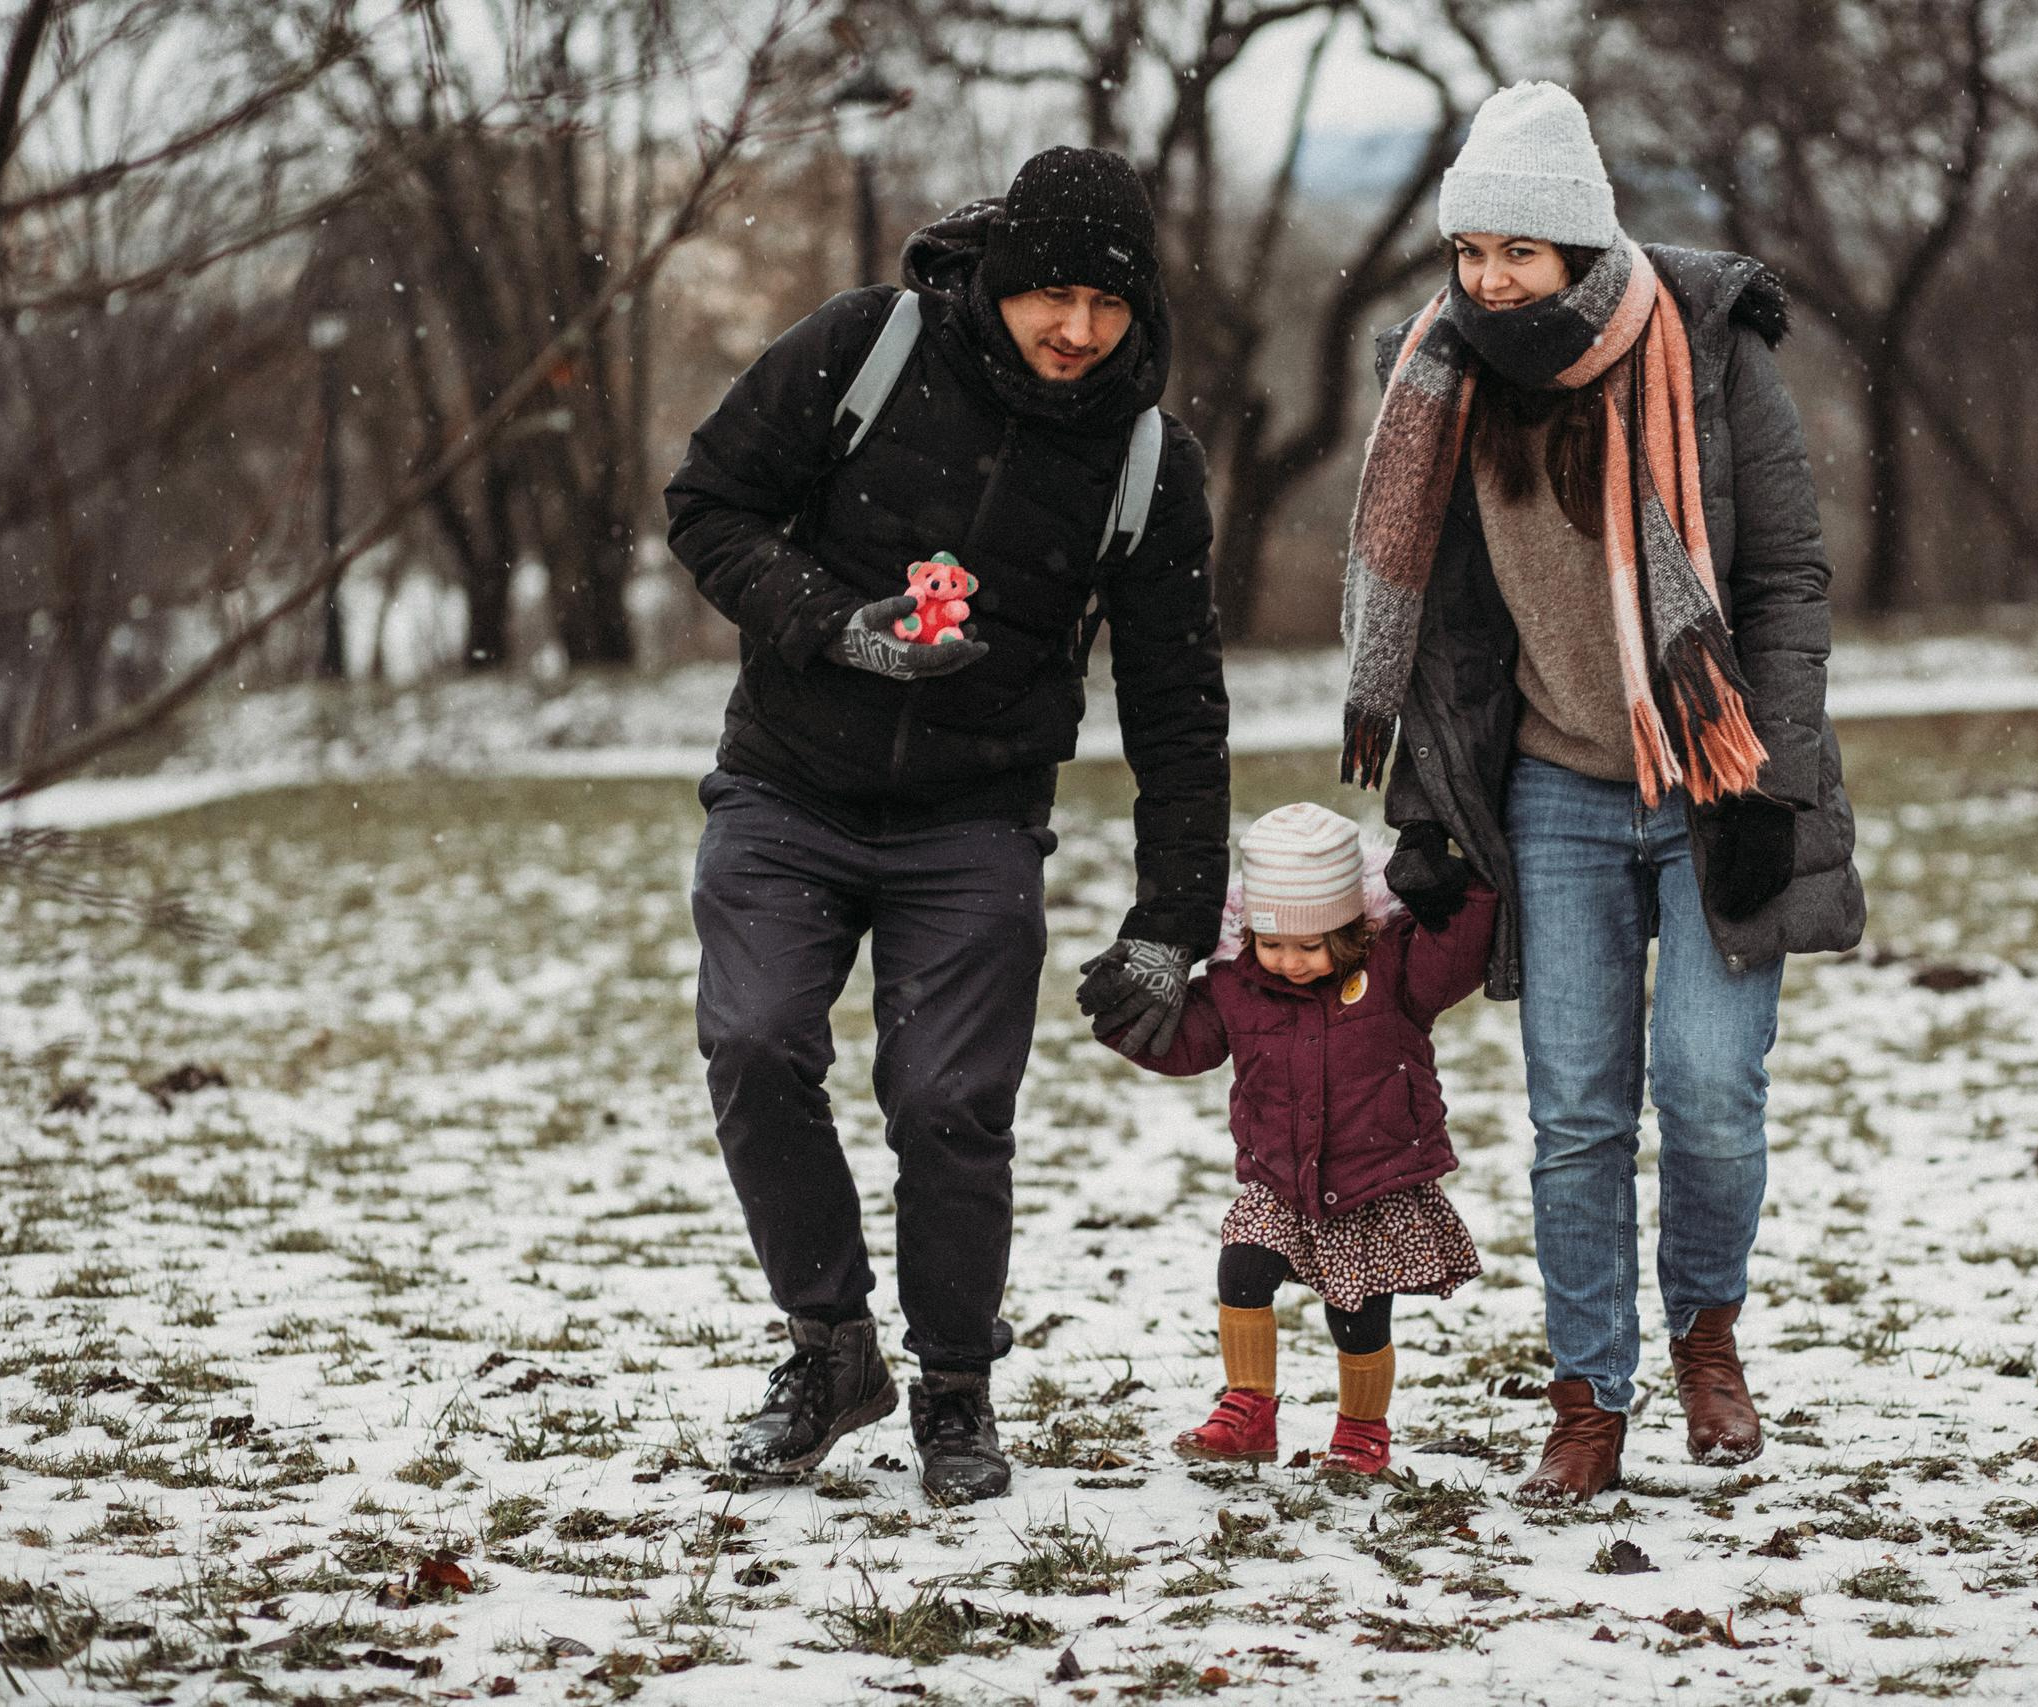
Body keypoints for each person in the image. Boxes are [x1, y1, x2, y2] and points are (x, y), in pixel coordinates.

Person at [663, 145, 1230, 1504]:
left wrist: (1170, 922)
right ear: (1001, 276)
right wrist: (832, 624)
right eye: (1052, 298)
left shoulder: (1148, 460)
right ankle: (830, 1345)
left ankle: (958, 1387)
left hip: (976, 818)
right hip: (789, 783)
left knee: (952, 1101)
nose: (1079, 332)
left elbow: (1177, 710)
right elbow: (708, 505)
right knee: (752, 1041)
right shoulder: (869, 345)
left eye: (1109, 306)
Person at [1339, 83, 1866, 1503]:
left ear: (1580, 245)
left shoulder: (1704, 346)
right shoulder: (1439, 380)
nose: (1492, 280)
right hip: (1556, 789)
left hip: (1714, 776)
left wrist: (1772, 774)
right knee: (1576, 1110)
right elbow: (1444, 623)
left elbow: (1786, 584)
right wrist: (1433, 811)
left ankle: (1707, 1333)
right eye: (1472, 252)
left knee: (1706, 1086)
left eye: (1522, 250)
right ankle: (1587, 1394)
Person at [1101, 802, 1494, 1475]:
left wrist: (1461, 889)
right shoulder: (1236, 984)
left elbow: (1461, 952)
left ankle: (1362, 1429)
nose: (1289, 961)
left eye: (1311, 946)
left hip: (1373, 1179)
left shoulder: (1397, 969)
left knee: (1359, 1315)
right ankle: (1247, 1408)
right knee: (1242, 1271)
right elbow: (1190, 1043)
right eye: (1272, 942)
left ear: (1351, 929)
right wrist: (1125, 1013)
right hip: (1277, 1177)